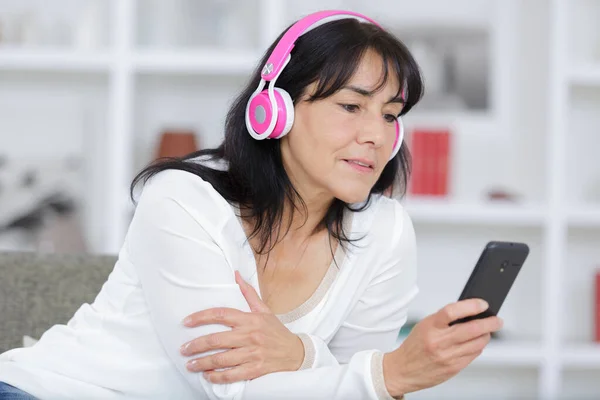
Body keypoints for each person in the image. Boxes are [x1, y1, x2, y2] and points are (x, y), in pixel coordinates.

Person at [0, 10, 503, 400]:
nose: (375, 134)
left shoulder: (385, 231)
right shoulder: (182, 198)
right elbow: (230, 387)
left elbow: (354, 385)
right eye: (350, 106)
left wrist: (302, 356)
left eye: (390, 115)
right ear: (274, 110)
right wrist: (381, 371)